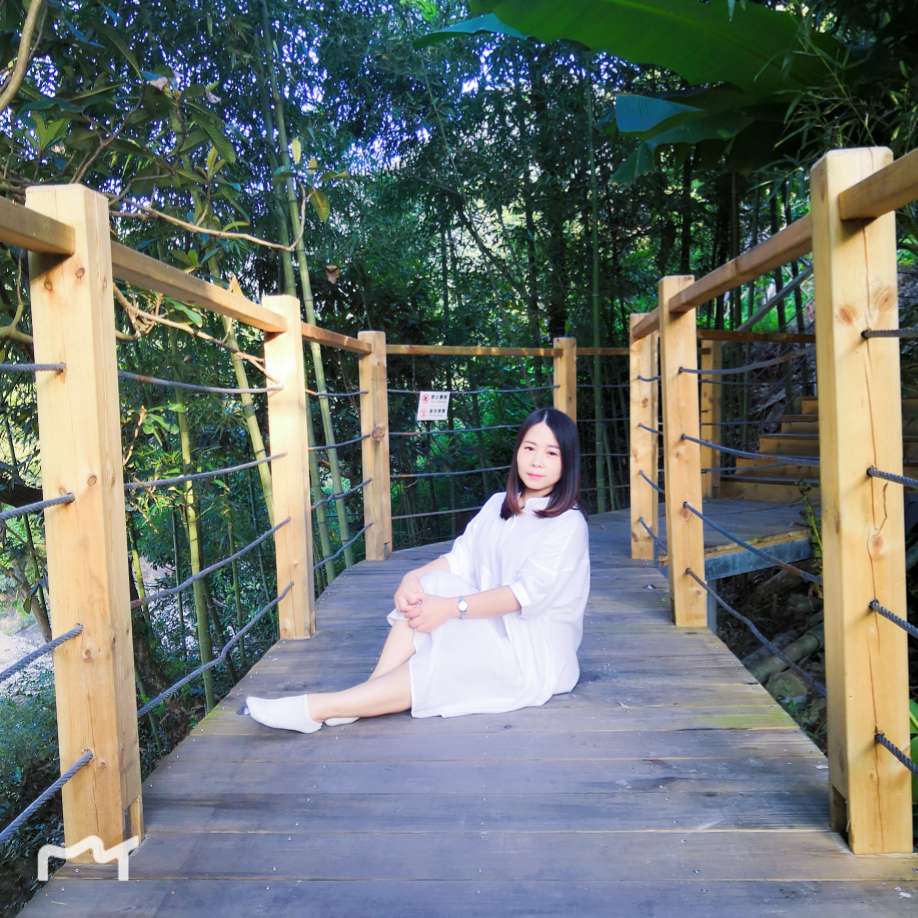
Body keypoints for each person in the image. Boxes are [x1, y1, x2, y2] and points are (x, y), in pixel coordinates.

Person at [244, 406, 590, 734]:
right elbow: (461, 559)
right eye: (530, 448)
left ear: (567, 462)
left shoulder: (567, 524)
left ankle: (319, 708)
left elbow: (522, 596)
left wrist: (451, 608)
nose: (537, 461)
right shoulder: (498, 505)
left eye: (551, 453)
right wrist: (413, 578)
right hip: (496, 626)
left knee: (449, 654)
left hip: (533, 654)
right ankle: (368, 693)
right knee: (430, 586)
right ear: (518, 452)